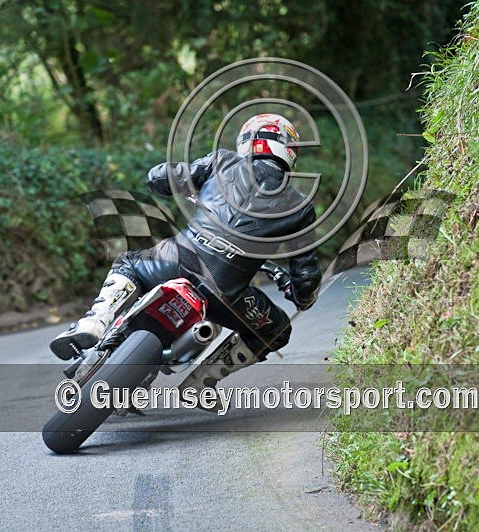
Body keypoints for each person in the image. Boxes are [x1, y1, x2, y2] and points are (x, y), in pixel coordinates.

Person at [50, 113, 322, 388]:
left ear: (249, 142)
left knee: (129, 262)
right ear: (288, 151)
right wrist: (302, 295)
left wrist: (163, 178)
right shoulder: (301, 208)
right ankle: (202, 382)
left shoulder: (223, 161)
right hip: (228, 294)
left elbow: (161, 177)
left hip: (175, 262)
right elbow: (306, 277)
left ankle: (94, 323)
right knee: (277, 331)